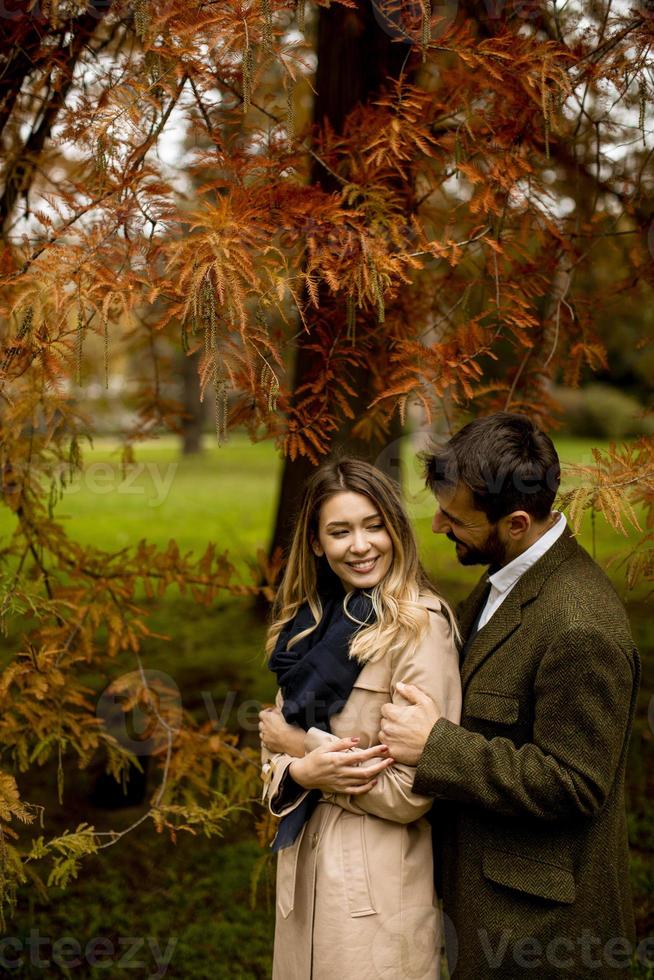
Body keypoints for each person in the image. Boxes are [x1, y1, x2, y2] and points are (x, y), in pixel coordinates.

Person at [378, 412, 641, 979]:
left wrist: (435, 748)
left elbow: (574, 782)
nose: (442, 527)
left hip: (541, 937)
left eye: (456, 518)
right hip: (484, 910)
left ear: (517, 522)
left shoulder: (580, 625)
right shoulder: (509, 577)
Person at [258, 458, 461, 980]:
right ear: (316, 543)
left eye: (374, 525)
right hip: (301, 876)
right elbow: (270, 755)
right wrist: (299, 772)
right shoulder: (304, 626)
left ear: (395, 528)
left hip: (374, 885)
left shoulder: (420, 628)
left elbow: (413, 791)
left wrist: (304, 753)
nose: (361, 545)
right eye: (340, 531)